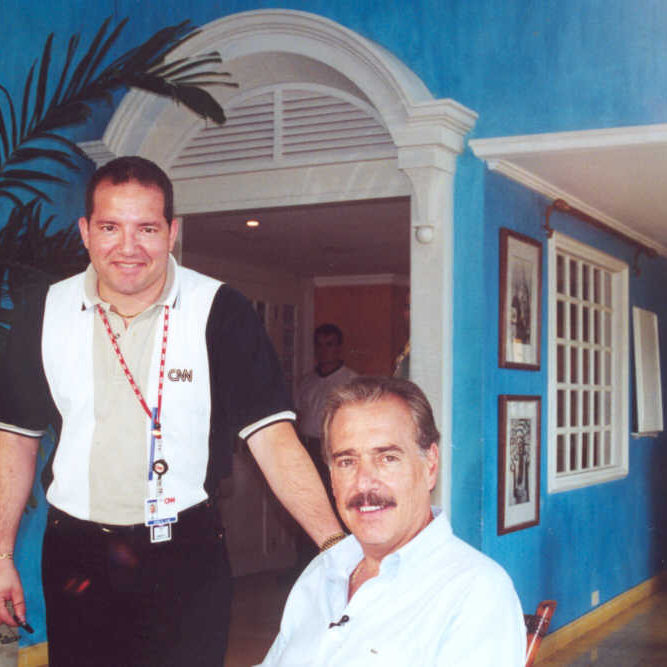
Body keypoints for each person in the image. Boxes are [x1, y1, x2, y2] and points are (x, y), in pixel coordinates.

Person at [0, 156, 343, 667]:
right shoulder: (44, 312)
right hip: (76, 553)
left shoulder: (221, 311)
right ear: (86, 232)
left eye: (147, 228)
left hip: (186, 554)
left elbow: (274, 440)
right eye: (110, 227)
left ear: (172, 232)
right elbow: (15, 440)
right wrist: (2, 554)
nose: (128, 247)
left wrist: (337, 549)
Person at [261, 377, 526, 666]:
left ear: (430, 465)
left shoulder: (475, 591)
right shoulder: (321, 573)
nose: (364, 483)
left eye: (387, 458)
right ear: (332, 478)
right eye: (347, 462)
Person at [296, 323, 358, 485]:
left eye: (329, 344)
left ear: (339, 348)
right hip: (307, 448)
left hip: (334, 448)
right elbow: (299, 415)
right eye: (319, 345)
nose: (323, 350)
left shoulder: (351, 381)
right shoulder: (306, 381)